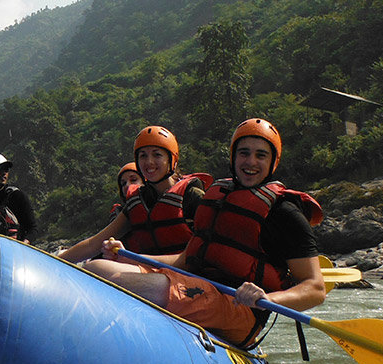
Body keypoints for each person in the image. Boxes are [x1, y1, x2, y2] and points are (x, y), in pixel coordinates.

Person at [85, 118, 326, 348]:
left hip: (240, 308)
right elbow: (184, 260)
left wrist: (268, 299)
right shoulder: (217, 198)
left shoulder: (285, 213)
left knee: (131, 284)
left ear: (273, 161)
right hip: (199, 284)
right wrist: (126, 256)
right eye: (244, 153)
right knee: (96, 269)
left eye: (260, 155)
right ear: (233, 156)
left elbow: (315, 288)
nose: (250, 161)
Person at [58, 126, 210, 263]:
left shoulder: (192, 196)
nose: (149, 162)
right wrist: (55, 259)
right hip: (149, 271)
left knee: (98, 267)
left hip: (186, 277)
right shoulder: (139, 201)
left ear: (172, 161)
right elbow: (93, 245)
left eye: (157, 155)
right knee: (97, 265)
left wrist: (131, 259)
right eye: (143, 156)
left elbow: (196, 257)